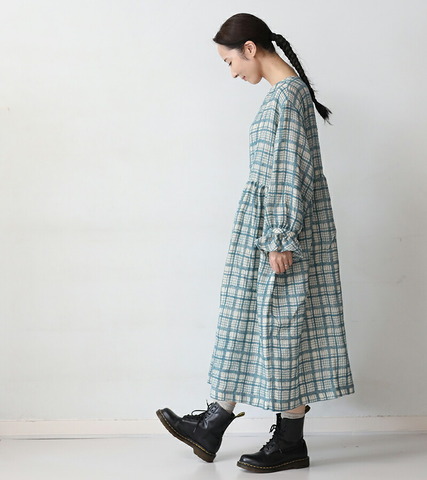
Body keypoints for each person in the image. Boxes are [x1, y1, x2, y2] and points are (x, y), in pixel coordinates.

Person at [156, 12, 355, 473]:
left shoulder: (287, 97)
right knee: (250, 318)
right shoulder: (284, 95)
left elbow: (288, 170)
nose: (231, 73)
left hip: (279, 231)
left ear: (250, 49)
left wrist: (280, 237)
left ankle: (288, 441)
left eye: (229, 62)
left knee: (282, 326)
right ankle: (214, 423)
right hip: (266, 227)